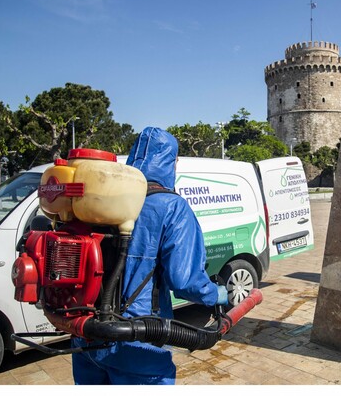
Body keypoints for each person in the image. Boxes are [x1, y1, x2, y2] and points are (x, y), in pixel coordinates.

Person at [71, 127, 228, 385]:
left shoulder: (100, 196)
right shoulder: (172, 206)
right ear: (170, 162)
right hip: (137, 342)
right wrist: (216, 293)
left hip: (86, 336)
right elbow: (185, 281)